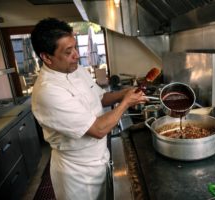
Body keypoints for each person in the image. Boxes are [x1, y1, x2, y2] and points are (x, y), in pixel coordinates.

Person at [30, 18, 147, 200]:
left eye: (75, 47)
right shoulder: (48, 92)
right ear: (46, 57)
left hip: (100, 158)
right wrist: (126, 103)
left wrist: (125, 93)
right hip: (77, 173)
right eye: (68, 52)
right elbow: (98, 130)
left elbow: (100, 97)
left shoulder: (75, 69)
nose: (77, 55)